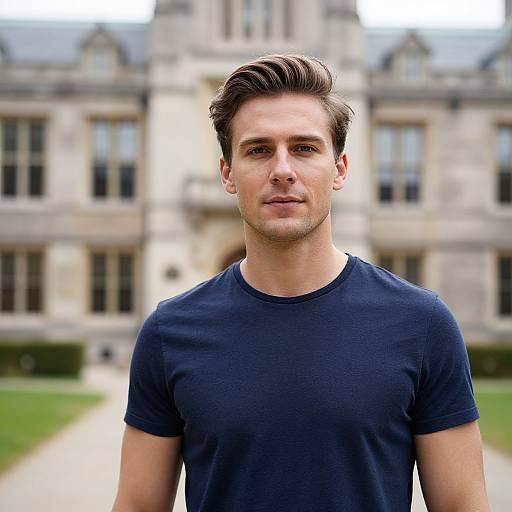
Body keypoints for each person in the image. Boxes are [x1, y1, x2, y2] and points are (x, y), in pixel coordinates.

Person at [112, 54, 490, 511]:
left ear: (341, 168)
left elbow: (463, 506)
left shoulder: (422, 323)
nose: (282, 169)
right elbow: (136, 506)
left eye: (305, 148)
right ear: (227, 173)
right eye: (258, 150)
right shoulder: (170, 332)